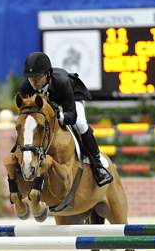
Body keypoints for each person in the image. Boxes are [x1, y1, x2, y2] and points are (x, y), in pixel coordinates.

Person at [17, 51, 113, 187]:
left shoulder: (61, 81)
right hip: (47, 107)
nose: (34, 82)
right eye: (31, 78)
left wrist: (60, 116)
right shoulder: (25, 87)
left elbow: (72, 115)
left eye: (37, 77)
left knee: (80, 124)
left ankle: (97, 162)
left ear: (47, 74)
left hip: (71, 98)